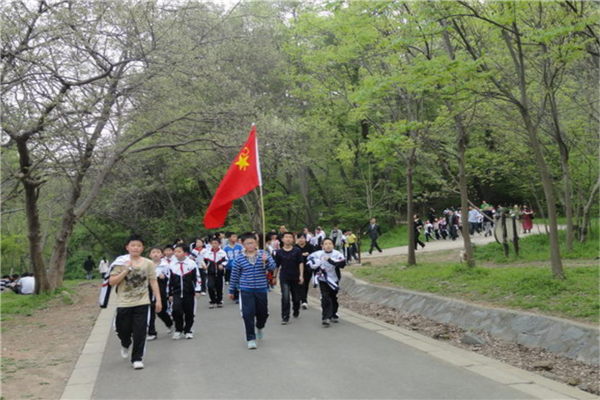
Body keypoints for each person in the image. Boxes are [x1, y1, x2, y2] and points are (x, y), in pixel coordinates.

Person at [109, 234, 162, 370]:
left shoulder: (148, 263)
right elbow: (112, 282)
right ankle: (125, 343)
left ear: (142, 248)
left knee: (140, 331)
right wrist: (125, 270)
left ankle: (137, 358)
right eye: (133, 245)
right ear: (127, 247)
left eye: (138, 245)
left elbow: (153, 281)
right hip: (124, 302)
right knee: (122, 329)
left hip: (142, 302)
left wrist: (158, 300)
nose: (136, 248)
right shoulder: (120, 262)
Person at [228, 232, 276, 350]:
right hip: (246, 289)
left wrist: (267, 261)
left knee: (263, 313)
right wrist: (231, 290)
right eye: (247, 243)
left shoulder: (263, 254)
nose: (250, 245)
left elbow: (273, 267)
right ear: (243, 244)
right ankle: (250, 338)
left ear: (256, 243)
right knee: (247, 314)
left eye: (252, 242)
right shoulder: (239, 258)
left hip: (261, 288)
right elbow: (234, 274)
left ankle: (260, 327)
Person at [307, 238, 346, 326]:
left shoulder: (337, 254)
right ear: (322, 246)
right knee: (325, 297)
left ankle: (334, 313)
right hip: (323, 279)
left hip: (334, 279)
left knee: (333, 297)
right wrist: (313, 266)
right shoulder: (318, 254)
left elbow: (342, 264)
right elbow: (309, 263)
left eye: (330, 243)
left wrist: (330, 260)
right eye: (326, 244)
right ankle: (326, 317)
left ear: (333, 245)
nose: (328, 245)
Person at [168, 243, 201, 340]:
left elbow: (197, 277)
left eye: (179, 251)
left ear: (185, 253)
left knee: (189, 311)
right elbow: (169, 280)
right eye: (175, 252)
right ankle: (178, 329)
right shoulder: (172, 265)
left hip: (189, 292)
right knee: (176, 310)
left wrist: (198, 290)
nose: (176, 254)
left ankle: (188, 330)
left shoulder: (191, 263)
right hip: (177, 292)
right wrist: (169, 293)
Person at [273, 232, 304, 324]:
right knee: (285, 296)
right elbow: (277, 265)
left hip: (295, 276)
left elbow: (300, 263)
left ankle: (296, 309)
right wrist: (274, 276)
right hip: (284, 277)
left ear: (293, 239)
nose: (288, 239)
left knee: (296, 297)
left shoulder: (297, 251)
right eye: (286, 237)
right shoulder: (279, 252)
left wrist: (301, 275)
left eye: (290, 237)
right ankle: (285, 316)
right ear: (282, 239)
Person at [147, 246, 174, 341]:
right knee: (150, 312)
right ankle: (152, 332)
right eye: (153, 252)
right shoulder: (146, 265)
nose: (155, 254)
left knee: (161, 311)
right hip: (148, 291)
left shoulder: (166, 265)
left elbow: (171, 279)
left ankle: (169, 323)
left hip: (162, 291)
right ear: (150, 255)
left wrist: (164, 278)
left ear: (162, 254)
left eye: (158, 252)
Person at [202, 237, 228, 309]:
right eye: (212, 243)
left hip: (220, 273)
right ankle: (212, 300)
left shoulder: (222, 253)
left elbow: (226, 261)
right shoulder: (208, 253)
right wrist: (204, 265)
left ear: (219, 244)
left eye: (216, 243)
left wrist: (222, 265)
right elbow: (204, 261)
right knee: (210, 286)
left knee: (219, 287)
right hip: (210, 273)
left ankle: (219, 300)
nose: (214, 245)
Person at [295, 233, 315, 310]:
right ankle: (304, 300)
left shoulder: (310, 247)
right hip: (297, 269)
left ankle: (303, 298)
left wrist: (308, 254)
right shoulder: (295, 248)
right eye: (299, 238)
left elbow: (314, 255)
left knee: (305, 284)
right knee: (300, 284)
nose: (301, 240)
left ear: (306, 239)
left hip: (308, 268)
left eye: (302, 238)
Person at [224, 233, 243, 300]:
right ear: (229, 238)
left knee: (239, 281)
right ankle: (234, 294)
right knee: (232, 281)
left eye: (236, 236)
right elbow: (224, 258)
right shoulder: (225, 248)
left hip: (239, 266)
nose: (235, 238)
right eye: (233, 236)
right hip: (230, 267)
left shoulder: (240, 247)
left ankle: (239, 295)